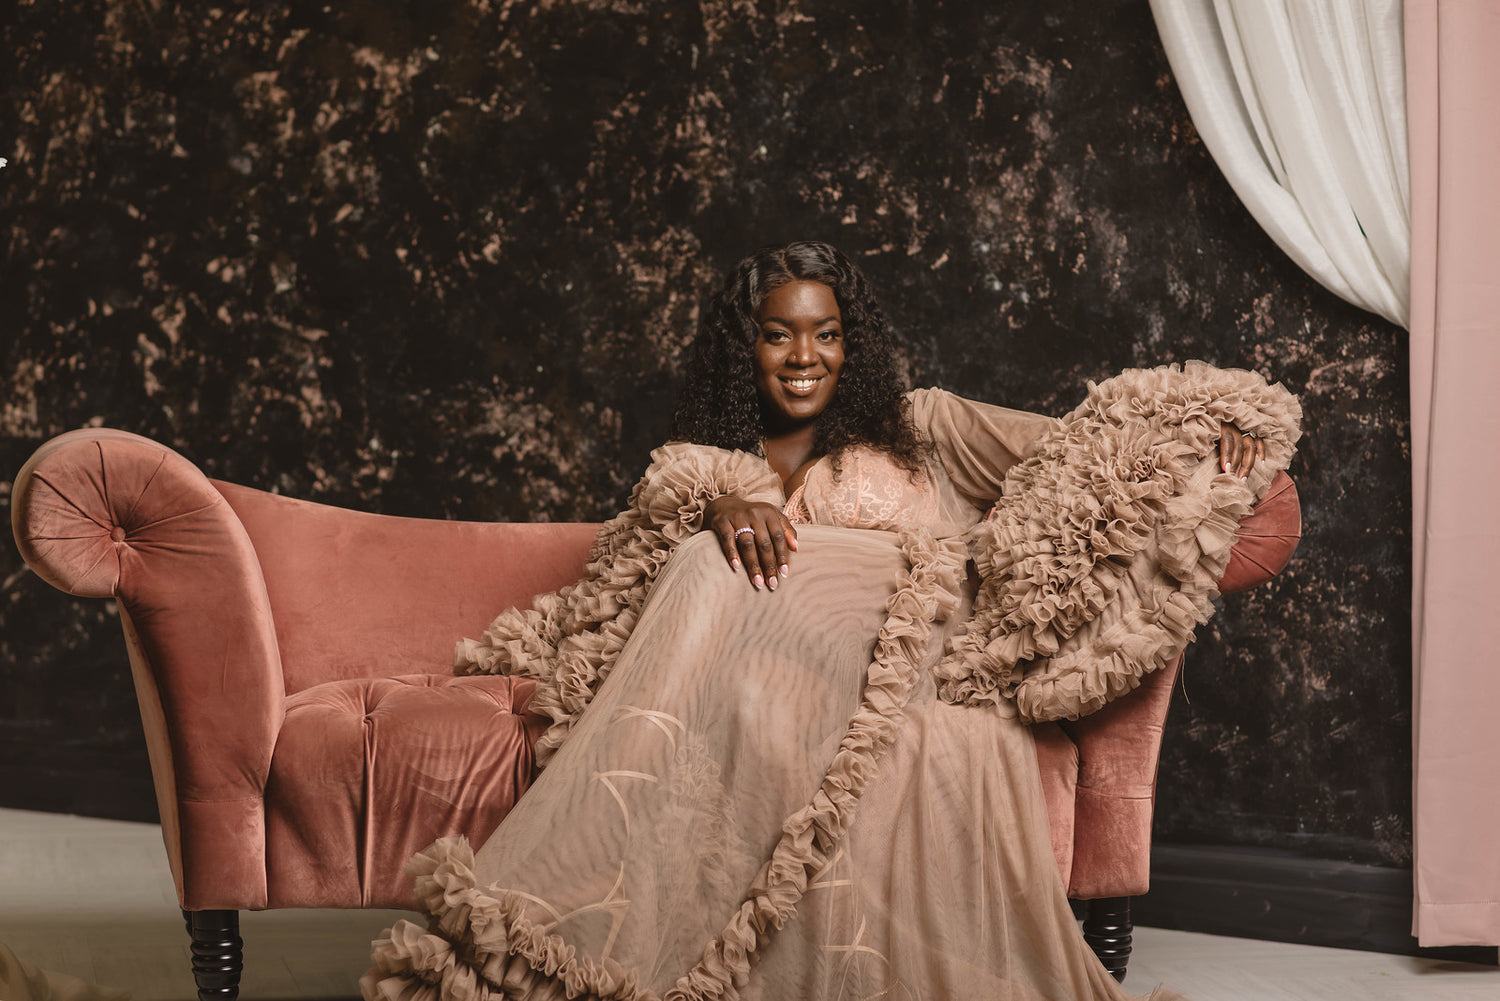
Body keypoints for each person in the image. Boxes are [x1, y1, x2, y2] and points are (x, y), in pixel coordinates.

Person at [362, 241, 1287, 1001]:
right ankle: (554, 933)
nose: (804, 357)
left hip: (910, 653)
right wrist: (719, 504)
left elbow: (1086, 452)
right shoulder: (708, 467)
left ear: (853, 345)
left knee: (722, 573)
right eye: (778, 335)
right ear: (746, 347)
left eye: (827, 334)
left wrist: (1204, 439)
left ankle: (553, 909)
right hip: (777, 682)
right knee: (710, 582)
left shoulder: (925, 429)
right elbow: (652, 579)